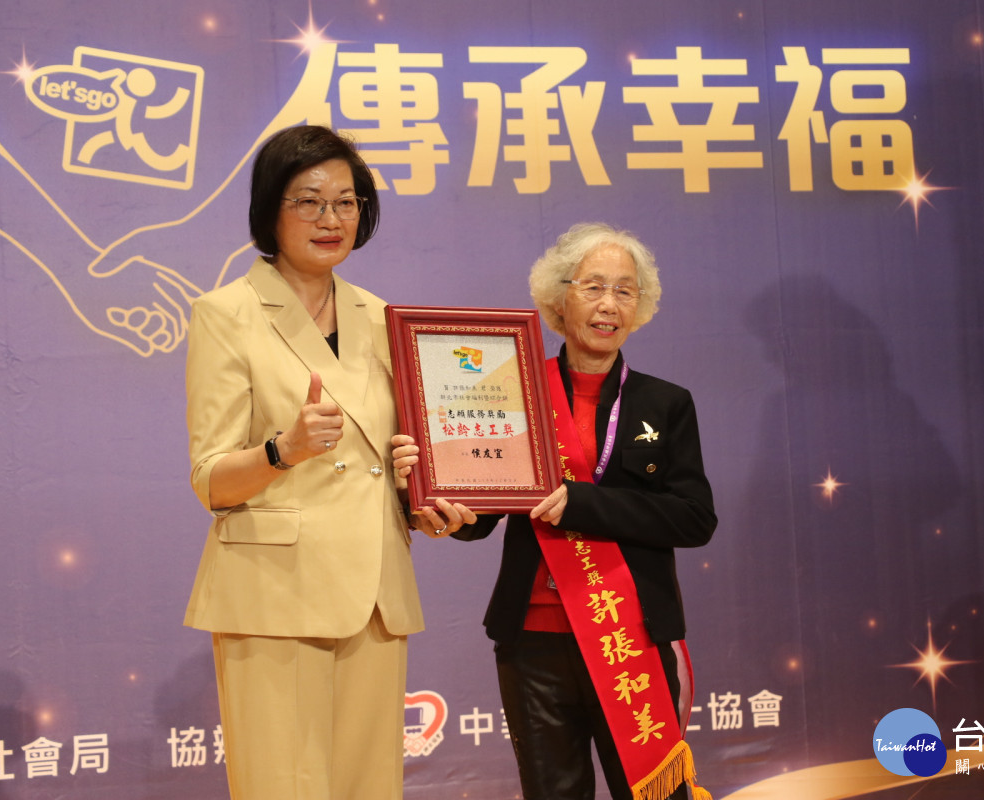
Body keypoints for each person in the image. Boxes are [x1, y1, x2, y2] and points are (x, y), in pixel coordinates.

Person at [183, 124, 465, 799]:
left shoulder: (384, 317)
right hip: (275, 592)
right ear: (270, 212)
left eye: (346, 202)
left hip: (375, 592)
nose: (330, 219)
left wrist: (423, 499)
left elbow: (389, 459)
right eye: (308, 202)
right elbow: (210, 481)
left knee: (370, 788)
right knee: (284, 787)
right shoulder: (227, 313)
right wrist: (283, 449)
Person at [395, 222, 716, 800]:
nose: (609, 304)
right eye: (593, 286)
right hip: (533, 642)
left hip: (632, 636)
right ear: (558, 297)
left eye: (625, 290)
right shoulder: (512, 391)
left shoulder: (666, 403)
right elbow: (481, 516)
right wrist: (434, 502)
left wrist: (583, 504)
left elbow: (694, 518)